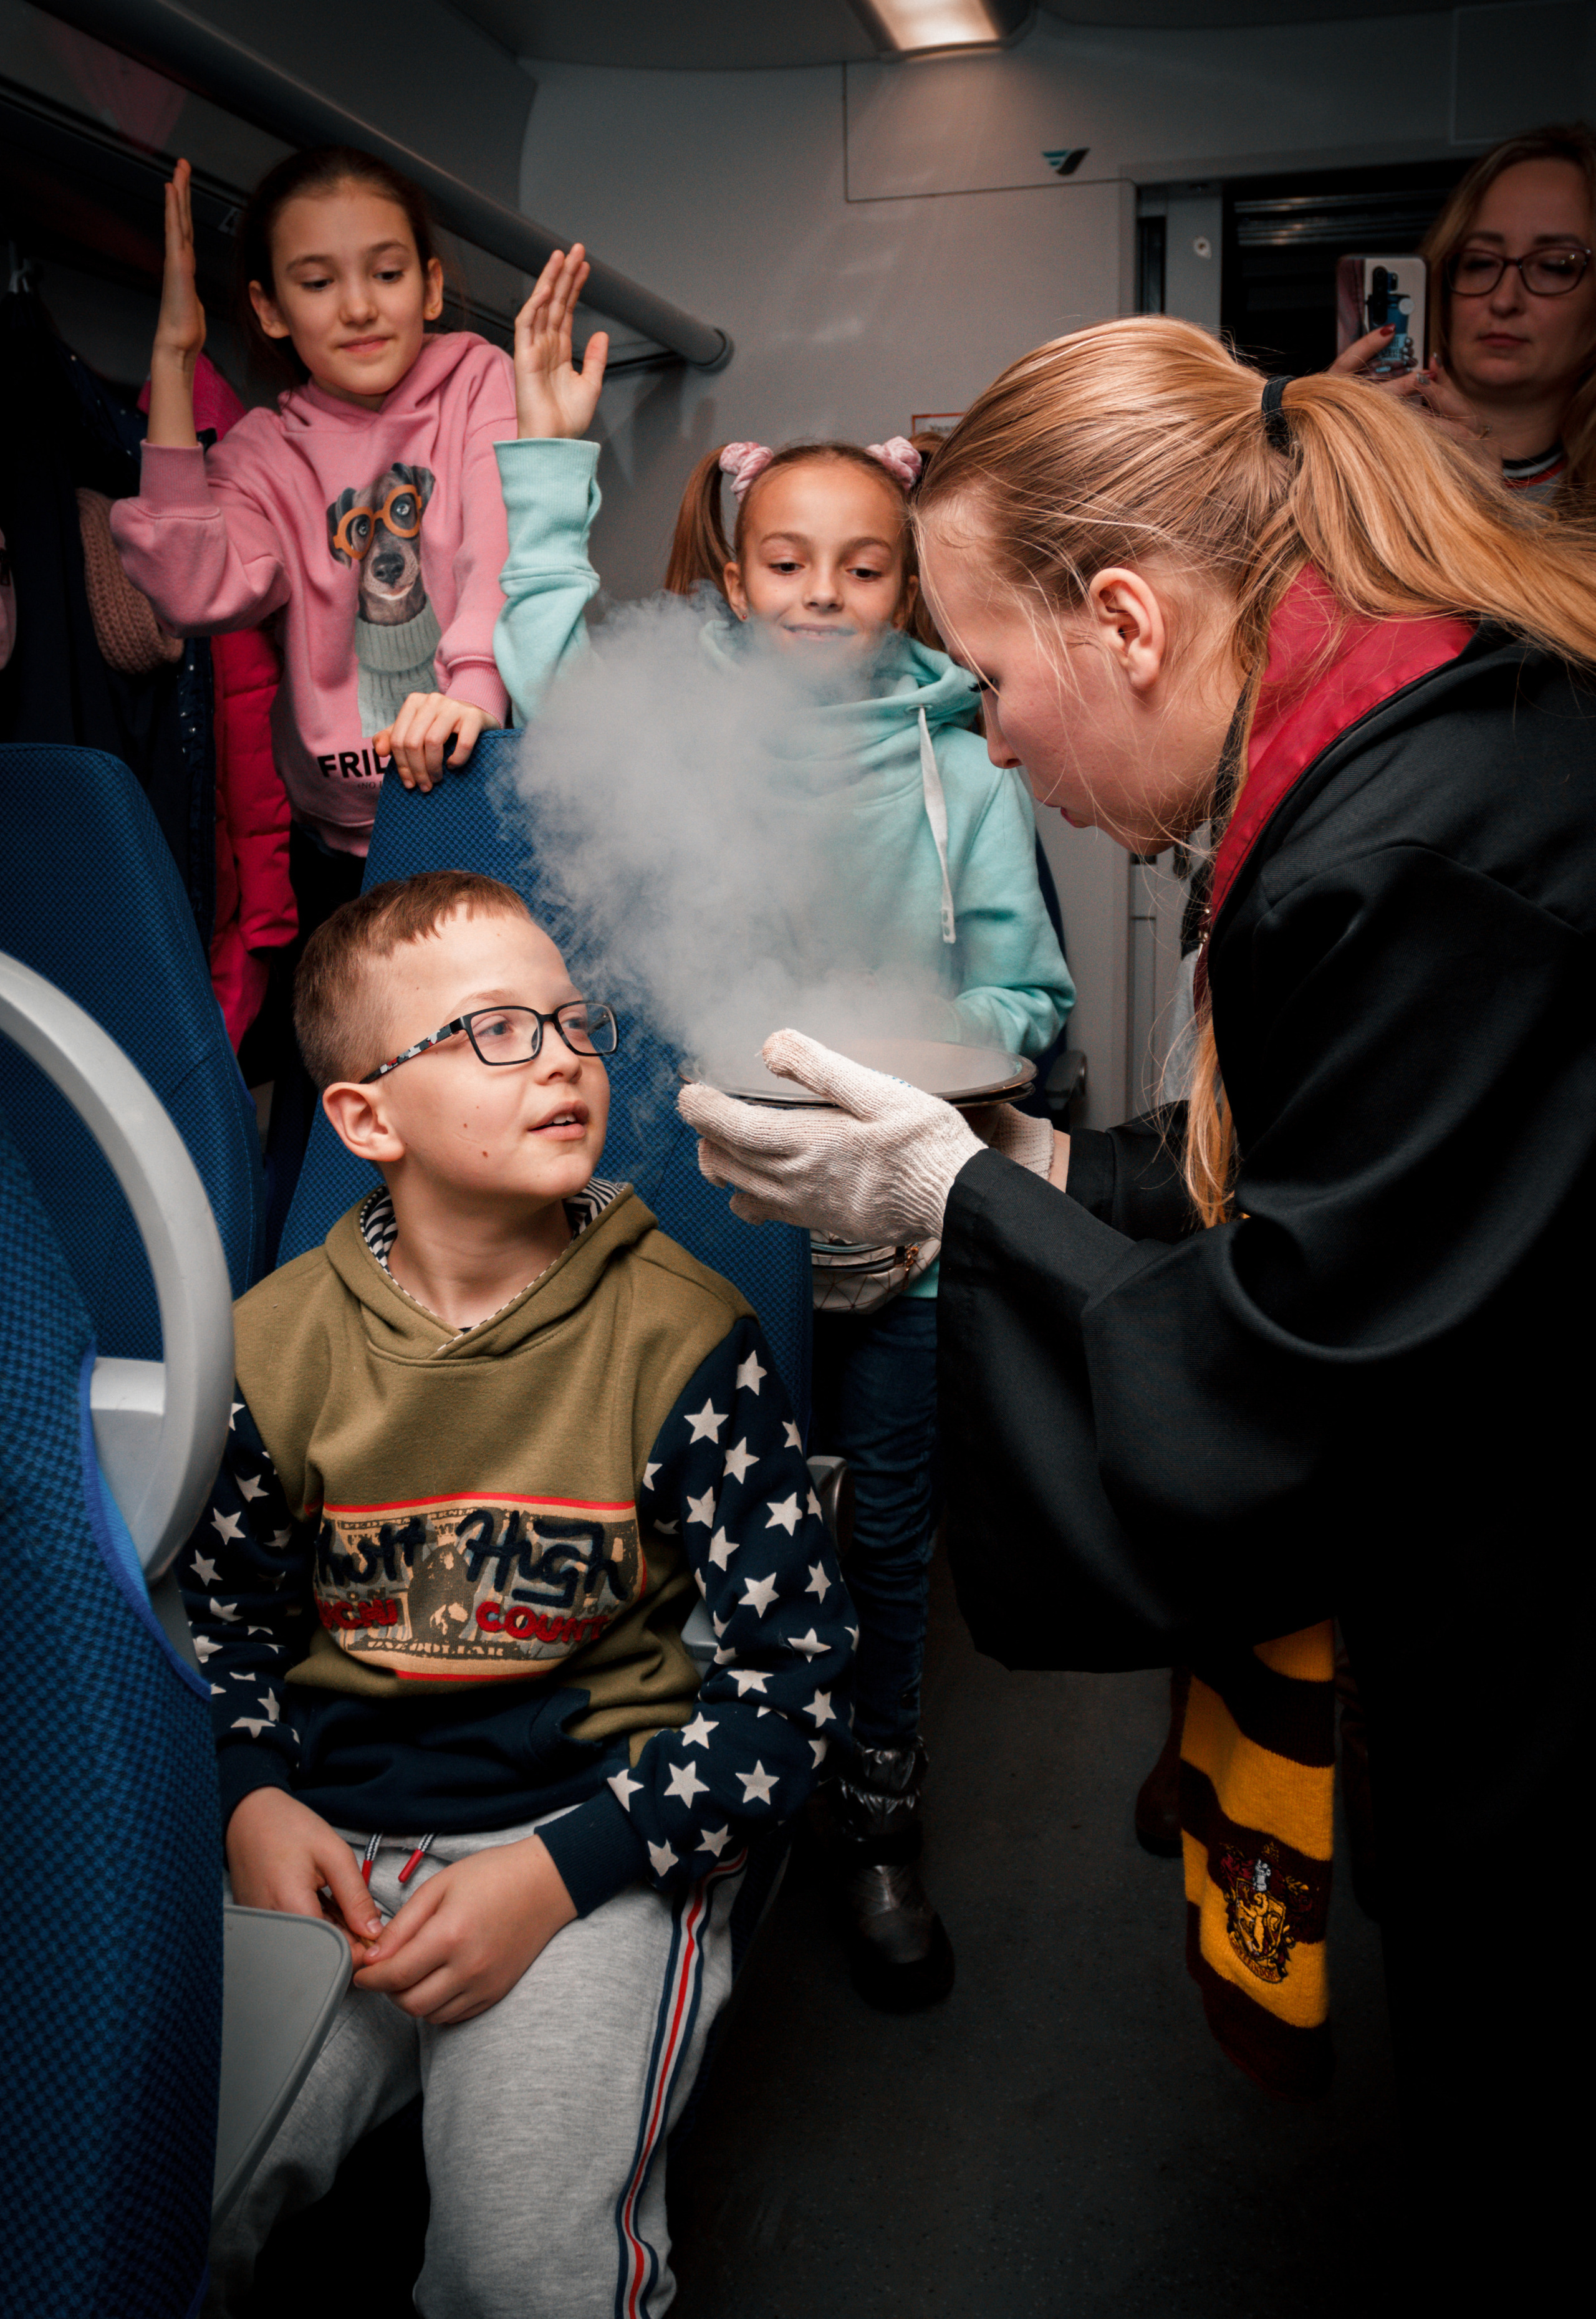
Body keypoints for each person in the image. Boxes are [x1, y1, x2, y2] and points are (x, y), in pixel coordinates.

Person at [678, 317, 1596, 2281]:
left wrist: (952, 1205)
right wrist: (1013, 1172)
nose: (988, 733)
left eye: (991, 674)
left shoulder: (1425, 846)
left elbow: (1302, 1377)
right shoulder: (1402, 746)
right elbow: (1328, 1172)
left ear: (1124, 619)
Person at [491, 247, 1074, 2010]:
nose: (824, 597)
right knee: (713, 1536)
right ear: (733, 581)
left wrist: (870, 1062)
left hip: (889, 1241)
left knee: (882, 1539)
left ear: (912, 586)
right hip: (707, 1238)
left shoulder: (960, 760)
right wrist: (548, 461)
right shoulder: (685, 731)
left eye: (865, 567)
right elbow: (542, 669)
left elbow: (1032, 1012)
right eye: (786, 565)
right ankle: (713, 1804)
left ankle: (874, 1817)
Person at [184, 868, 852, 2317]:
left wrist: (566, 1870)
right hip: (333, 1848)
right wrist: (249, 1796)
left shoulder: (684, 1337)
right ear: (365, 1118)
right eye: (492, 1030)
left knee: (516, 2273)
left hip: (585, 1847)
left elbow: (788, 1691)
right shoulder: (266, 1349)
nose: (560, 1054)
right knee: (151, 2200)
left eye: (569, 1021)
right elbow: (220, 1624)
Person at [110, 149, 518, 1206]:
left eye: (386, 273)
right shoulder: (264, 450)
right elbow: (195, 587)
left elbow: (497, 549)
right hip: (342, 843)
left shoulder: (475, 377)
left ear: (430, 285)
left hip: (487, 816)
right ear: (270, 306)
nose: (359, 306)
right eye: (317, 279)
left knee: (486, 1098)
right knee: (339, 1113)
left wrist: (470, 691)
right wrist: (170, 357)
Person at [1335, 121, 1596, 508]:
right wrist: (1323, 461)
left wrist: (1478, 516)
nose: (1505, 300)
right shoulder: (1369, 466)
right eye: (1479, 263)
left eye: (1555, 266)